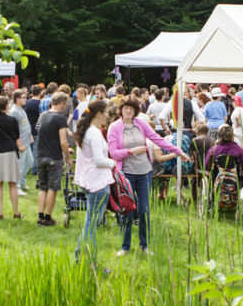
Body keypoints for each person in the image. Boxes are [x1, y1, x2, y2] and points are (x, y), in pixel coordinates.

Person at [107, 98, 191, 256]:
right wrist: (131, 151)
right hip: (126, 174)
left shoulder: (141, 124)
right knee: (128, 211)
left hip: (145, 172)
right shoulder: (114, 127)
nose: (128, 111)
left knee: (144, 210)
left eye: (131, 109)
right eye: (125, 108)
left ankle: (144, 245)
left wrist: (178, 151)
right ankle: (125, 247)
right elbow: (113, 153)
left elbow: (158, 139)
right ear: (121, 110)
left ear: (135, 111)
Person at [73, 99, 116, 264]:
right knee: (91, 225)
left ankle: (82, 258)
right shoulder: (94, 133)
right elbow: (99, 160)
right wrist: (113, 163)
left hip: (89, 181)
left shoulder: (87, 131)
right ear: (99, 114)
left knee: (90, 223)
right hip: (97, 182)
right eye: (106, 113)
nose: (107, 116)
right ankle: (89, 261)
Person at [35, 92, 72, 226]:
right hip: (53, 157)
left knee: (43, 188)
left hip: (40, 156)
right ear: (62, 103)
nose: (65, 107)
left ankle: (40, 217)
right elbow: (63, 142)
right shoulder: (60, 119)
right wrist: (68, 158)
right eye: (65, 104)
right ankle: (48, 218)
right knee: (52, 188)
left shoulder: (43, 115)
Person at [0, 95, 24, 219]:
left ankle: (0, 212)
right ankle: (15, 212)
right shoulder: (12, 120)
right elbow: (16, 135)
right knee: (13, 184)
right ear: (7, 105)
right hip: (9, 151)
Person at [9, 89, 33, 194]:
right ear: (17, 99)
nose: (26, 100)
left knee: (30, 162)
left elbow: (25, 124)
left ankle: (22, 182)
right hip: (20, 143)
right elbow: (13, 130)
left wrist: (30, 135)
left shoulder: (21, 109)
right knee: (20, 165)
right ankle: (17, 187)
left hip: (26, 141)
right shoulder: (14, 111)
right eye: (24, 97)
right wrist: (19, 144)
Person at [25, 85, 42, 175]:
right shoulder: (41, 103)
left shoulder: (27, 102)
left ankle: (26, 168)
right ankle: (34, 169)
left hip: (28, 128)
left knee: (28, 150)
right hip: (37, 128)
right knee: (36, 150)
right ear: (40, 92)